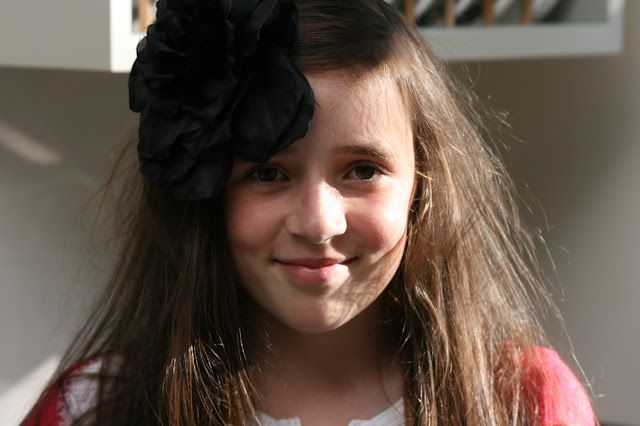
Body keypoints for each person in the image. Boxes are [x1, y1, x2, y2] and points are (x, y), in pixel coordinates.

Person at [23, 0, 596, 425]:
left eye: (362, 170)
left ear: (423, 186)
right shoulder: (94, 411)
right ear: (204, 195)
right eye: (268, 173)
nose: (320, 224)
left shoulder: (521, 403)